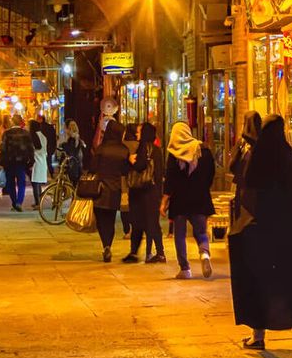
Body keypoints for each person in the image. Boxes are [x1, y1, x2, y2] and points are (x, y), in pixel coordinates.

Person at [226, 116, 292, 353]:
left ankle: (258, 336)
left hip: (260, 237)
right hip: (291, 239)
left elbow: (247, 197)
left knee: (260, 285)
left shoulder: (257, 163)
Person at [164, 120, 216, 280]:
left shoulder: (174, 154)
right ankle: (204, 255)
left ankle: (185, 269)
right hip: (200, 198)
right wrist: (203, 188)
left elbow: (170, 179)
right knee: (201, 232)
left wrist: (164, 200)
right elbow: (211, 174)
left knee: (179, 235)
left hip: (179, 201)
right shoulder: (204, 151)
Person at [88, 122, 133, 262]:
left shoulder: (102, 149)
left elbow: (93, 168)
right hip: (115, 189)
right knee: (111, 219)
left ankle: (105, 244)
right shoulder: (124, 150)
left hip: (100, 189)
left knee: (101, 220)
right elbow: (126, 171)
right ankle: (108, 244)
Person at [124, 121, 167, 264]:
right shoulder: (157, 150)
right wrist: (161, 195)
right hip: (153, 191)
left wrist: (130, 160)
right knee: (152, 222)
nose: (137, 133)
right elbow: (160, 173)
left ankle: (136, 252)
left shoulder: (143, 148)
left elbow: (140, 166)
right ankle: (159, 252)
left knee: (138, 222)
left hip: (141, 192)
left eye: (139, 131)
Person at [0, 118, 36, 210]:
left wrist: (1, 162)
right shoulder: (26, 133)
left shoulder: (6, 133)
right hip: (22, 161)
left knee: (10, 183)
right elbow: (30, 148)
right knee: (21, 182)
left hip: (9, 162)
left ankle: (14, 202)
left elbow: (3, 149)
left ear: (12, 122)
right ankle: (19, 202)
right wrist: (31, 161)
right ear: (20, 123)